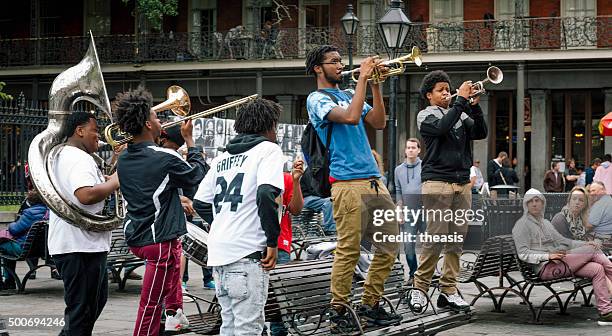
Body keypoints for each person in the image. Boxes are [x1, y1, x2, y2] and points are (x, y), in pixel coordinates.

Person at [305, 45, 401, 331]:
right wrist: (362, 80)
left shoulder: (349, 93)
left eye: (339, 61)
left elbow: (379, 122)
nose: (339, 65)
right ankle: (338, 310)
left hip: (374, 181)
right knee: (348, 250)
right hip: (347, 183)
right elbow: (349, 117)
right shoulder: (316, 98)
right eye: (333, 62)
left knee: (389, 245)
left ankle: (370, 304)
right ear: (317, 69)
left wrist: (375, 86)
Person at [114, 87, 207, 335]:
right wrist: (190, 143)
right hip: (157, 241)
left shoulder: (123, 158)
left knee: (176, 260)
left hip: (138, 235)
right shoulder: (164, 156)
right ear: (147, 124)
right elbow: (196, 177)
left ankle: (175, 313)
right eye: (156, 118)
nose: (161, 121)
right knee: (150, 305)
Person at [194, 98, 285, 335]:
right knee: (249, 328)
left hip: (219, 253)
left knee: (230, 326)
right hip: (247, 254)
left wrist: (225, 222)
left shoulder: (223, 157)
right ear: (270, 125)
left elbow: (200, 202)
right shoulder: (268, 150)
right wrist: (272, 241)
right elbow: (266, 193)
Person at [410, 70, 488, 313]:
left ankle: (449, 290)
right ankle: (420, 287)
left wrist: (474, 107)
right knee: (435, 238)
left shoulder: (461, 112)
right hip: (437, 182)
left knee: (455, 241)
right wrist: (461, 101)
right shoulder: (425, 115)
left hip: (462, 182)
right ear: (429, 95)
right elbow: (442, 128)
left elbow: (480, 133)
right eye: (441, 90)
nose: (446, 93)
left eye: (448, 89)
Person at [47, 111, 120, 335]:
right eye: (95, 131)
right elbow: (86, 195)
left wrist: (111, 174)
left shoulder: (67, 156)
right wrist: (118, 180)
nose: (98, 136)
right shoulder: (77, 157)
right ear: (79, 131)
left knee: (88, 308)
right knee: (82, 313)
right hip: (79, 245)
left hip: (81, 243)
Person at [512, 188, 612, 326]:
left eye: (538, 201)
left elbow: (564, 241)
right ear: (526, 205)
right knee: (593, 250)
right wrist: (548, 256)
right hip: (546, 268)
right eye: (530, 201)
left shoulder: (545, 223)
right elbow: (523, 253)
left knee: (597, 269)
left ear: (543, 204)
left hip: (561, 262)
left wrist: (584, 243)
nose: (535, 204)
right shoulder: (521, 226)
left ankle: (605, 313)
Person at [157, 125, 215, 297]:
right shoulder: (167, 158)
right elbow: (193, 175)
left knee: (181, 252)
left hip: (171, 220)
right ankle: (179, 285)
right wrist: (190, 140)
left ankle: (176, 298)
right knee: (180, 252)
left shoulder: (155, 157)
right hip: (164, 226)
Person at [270, 157, 304, 336]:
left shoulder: (286, 179)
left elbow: (296, 209)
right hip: (252, 245)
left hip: (281, 245)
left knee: (279, 302)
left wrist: (296, 180)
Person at [0, 190, 48, 290]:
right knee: (6, 248)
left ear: (30, 202)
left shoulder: (29, 213)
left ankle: (7, 282)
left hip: (24, 249)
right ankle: (9, 281)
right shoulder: (49, 213)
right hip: (41, 250)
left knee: (4, 246)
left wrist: (12, 224)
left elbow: (14, 230)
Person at [394, 138, 425, 285]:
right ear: (405, 150)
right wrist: (399, 210)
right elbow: (398, 191)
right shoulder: (398, 170)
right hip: (408, 213)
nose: (411, 150)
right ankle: (413, 274)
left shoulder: (425, 166)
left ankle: (426, 275)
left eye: (413, 147)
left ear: (419, 150)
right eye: (408, 147)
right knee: (408, 246)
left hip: (425, 212)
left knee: (429, 245)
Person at [300, 168, 337, 235]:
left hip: (316, 198)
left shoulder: (323, 169)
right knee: (330, 201)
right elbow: (314, 190)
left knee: (333, 201)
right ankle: (331, 230)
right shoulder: (312, 169)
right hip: (305, 198)